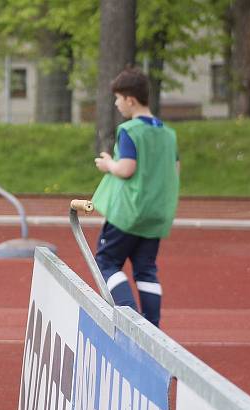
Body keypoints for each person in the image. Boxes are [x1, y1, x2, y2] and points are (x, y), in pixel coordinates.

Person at [92, 67, 180, 327]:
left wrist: (109, 164)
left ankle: (129, 317)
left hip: (129, 213)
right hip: (155, 215)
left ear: (130, 99)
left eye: (118, 99)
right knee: (146, 269)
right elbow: (175, 169)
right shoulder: (168, 134)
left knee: (106, 261)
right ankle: (152, 326)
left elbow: (127, 168)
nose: (117, 104)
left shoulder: (129, 130)